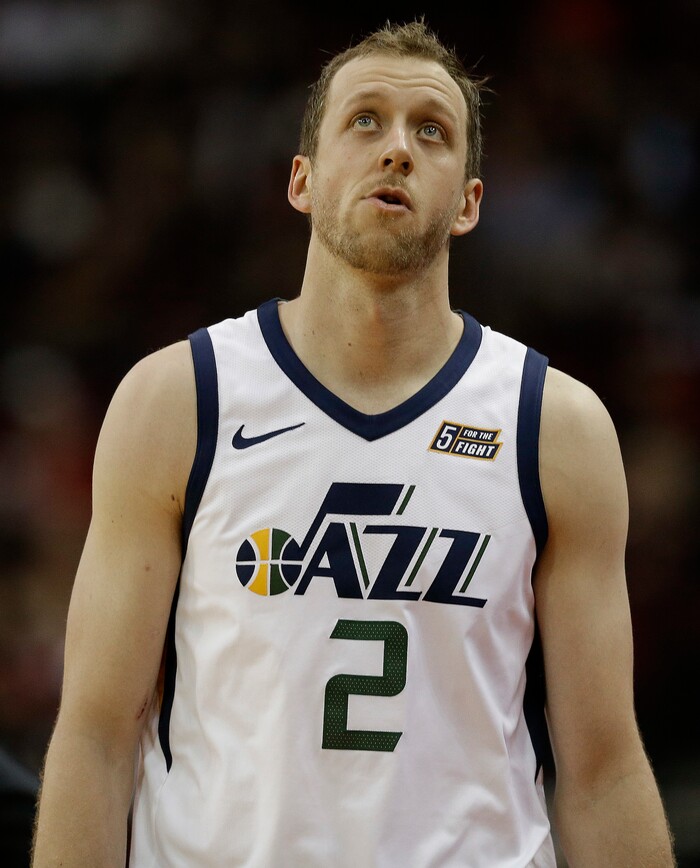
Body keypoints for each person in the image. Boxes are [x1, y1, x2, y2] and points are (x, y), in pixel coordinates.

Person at [31, 19, 676, 868]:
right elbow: (96, 737)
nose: (397, 149)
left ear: (470, 202)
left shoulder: (556, 425)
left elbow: (602, 771)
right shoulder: (178, 400)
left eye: (432, 132)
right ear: (302, 180)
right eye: (365, 120)